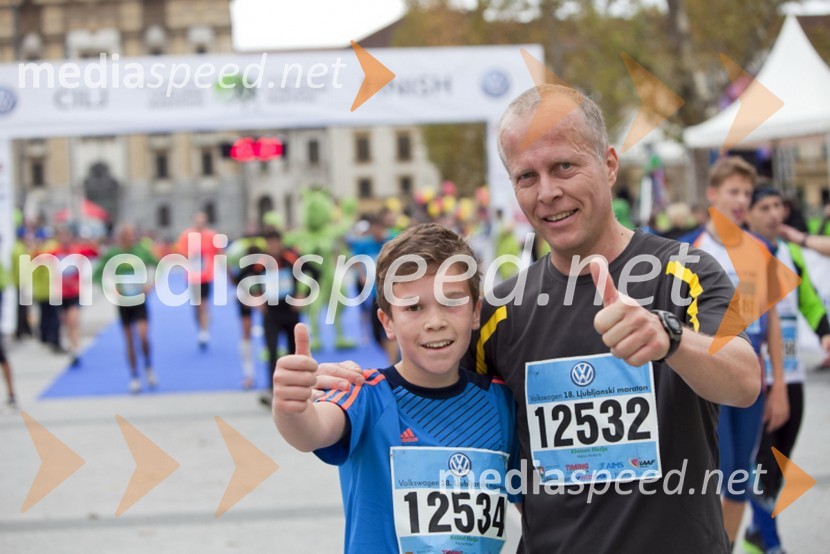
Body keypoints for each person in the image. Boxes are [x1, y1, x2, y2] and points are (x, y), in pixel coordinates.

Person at [321, 84, 760, 552]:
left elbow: (744, 380)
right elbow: (436, 417)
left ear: (609, 164)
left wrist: (668, 338)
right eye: (526, 176)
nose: (548, 192)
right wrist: (352, 391)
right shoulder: (498, 313)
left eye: (564, 167)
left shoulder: (684, 272)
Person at [273, 224, 519, 553]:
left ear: (476, 312)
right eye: (414, 308)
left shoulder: (500, 403)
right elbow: (311, 431)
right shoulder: (366, 395)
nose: (435, 322)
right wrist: (291, 407)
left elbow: (534, 506)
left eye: (451, 302)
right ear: (387, 321)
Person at [679, 156, 787, 546]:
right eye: (733, 191)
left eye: (746, 192)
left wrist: (779, 385)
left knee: (740, 477)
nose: (742, 200)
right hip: (705, 375)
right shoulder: (689, 247)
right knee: (709, 474)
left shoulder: (760, 248)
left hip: (749, 376)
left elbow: (770, 319)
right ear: (712, 195)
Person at [744, 186, 830, 553]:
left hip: (792, 374)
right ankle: (771, 542)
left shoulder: (791, 252)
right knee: (761, 465)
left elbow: (808, 298)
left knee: (780, 466)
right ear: (748, 215)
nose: (774, 213)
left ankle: (755, 535)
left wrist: (825, 332)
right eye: (764, 207)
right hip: (758, 377)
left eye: (778, 205)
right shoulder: (743, 255)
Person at [94, 224, 158, 394]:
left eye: (133, 234)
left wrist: (151, 284)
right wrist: (110, 289)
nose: (131, 237)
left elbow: (159, 265)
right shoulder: (112, 253)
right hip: (123, 302)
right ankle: (135, 376)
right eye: (128, 234)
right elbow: (97, 274)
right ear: (120, 236)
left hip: (140, 300)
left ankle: (148, 366)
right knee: (129, 340)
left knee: (143, 336)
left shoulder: (142, 251)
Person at [258, 229, 304, 406]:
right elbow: (244, 279)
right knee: (272, 351)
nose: (274, 246)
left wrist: (302, 294)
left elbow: (313, 273)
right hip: (271, 314)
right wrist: (256, 299)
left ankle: (295, 388)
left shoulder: (291, 258)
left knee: (294, 352)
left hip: (290, 312)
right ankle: (273, 390)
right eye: (270, 242)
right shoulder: (260, 262)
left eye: (276, 242)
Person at [45, 226, 98, 366]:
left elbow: (95, 252)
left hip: (75, 292)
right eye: (61, 236)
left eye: (66, 236)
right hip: (60, 294)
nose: (64, 239)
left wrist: (89, 240)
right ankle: (71, 344)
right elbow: (38, 257)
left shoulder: (78, 250)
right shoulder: (54, 252)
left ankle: (76, 349)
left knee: (73, 321)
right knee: (65, 323)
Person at [177, 212, 222, 351]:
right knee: (196, 306)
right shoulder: (186, 235)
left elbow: (219, 252)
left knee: (204, 304)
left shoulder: (212, 235)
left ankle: (204, 331)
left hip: (206, 276)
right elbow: (181, 253)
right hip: (192, 276)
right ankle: (201, 325)